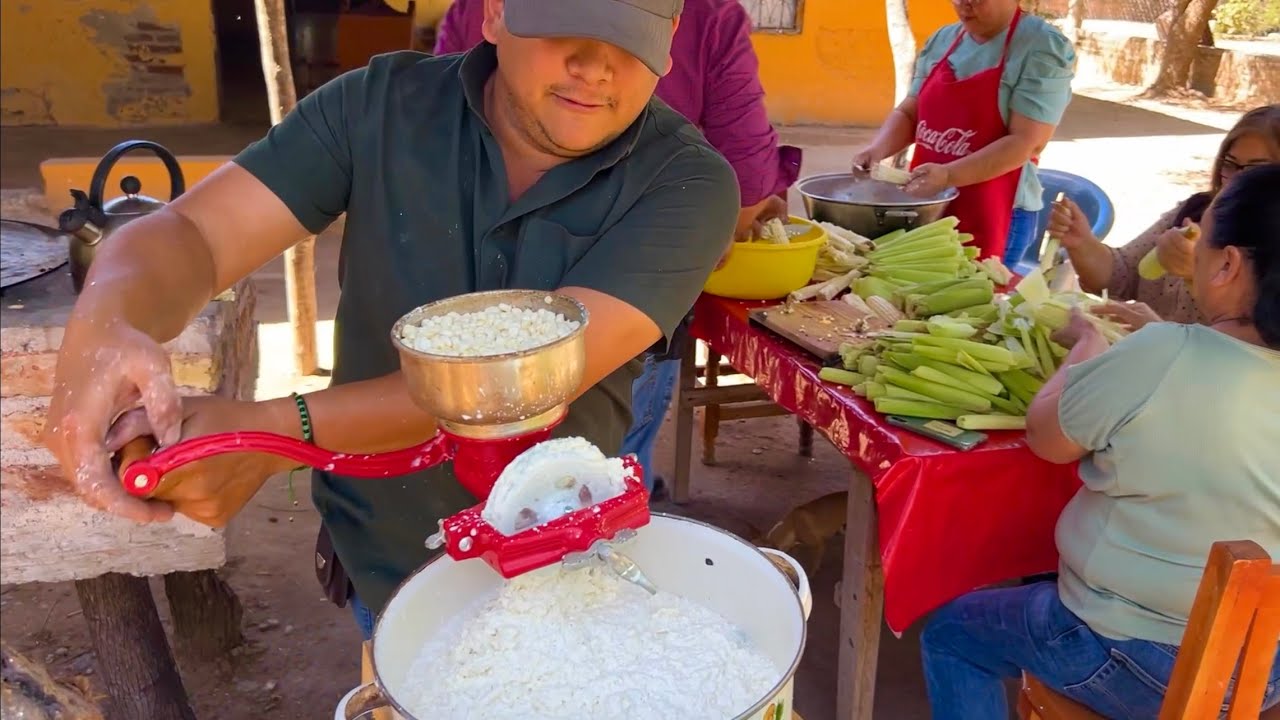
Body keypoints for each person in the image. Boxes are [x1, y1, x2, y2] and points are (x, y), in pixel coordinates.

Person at [41, 0, 739, 643]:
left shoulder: (685, 184)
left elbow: (512, 386)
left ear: (670, 43)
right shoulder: (379, 109)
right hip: (383, 557)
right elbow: (193, 232)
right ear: (495, 12)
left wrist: (274, 431)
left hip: (561, 564)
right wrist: (105, 323)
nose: (595, 67)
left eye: (627, 38)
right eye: (566, 28)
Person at [917, 163, 1280, 720]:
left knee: (951, 634)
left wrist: (1085, 343)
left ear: (1227, 264)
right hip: (1262, 666)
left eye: (1203, 244)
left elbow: (1047, 438)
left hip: (1129, 651)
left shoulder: (1166, 352)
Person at [434, 0, 801, 495]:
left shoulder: (473, 15)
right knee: (600, 483)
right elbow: (749, 180)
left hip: (455, 314)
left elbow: (439, 122)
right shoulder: (709, 15)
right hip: (627, 316)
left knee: (443, 473)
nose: (593, 71)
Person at [851, 0, 1075, 266]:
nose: (965, 6)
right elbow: (910, 113)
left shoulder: (1041, 47)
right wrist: (876, 151)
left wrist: (948, 175)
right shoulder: (943, 39)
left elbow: (1027, 142)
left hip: (996, 212)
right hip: (930, 205)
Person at [1049, 103, 1280, 331]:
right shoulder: (1194, 213)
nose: (1233, 183)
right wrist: (1081, 242)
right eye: (1229, 165)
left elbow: (1239, 348)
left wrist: (1197, 276)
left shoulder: (1268, 258)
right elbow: (1123, 274)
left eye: (1254, 171)